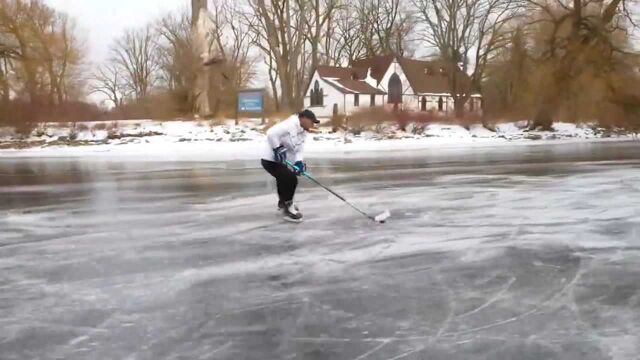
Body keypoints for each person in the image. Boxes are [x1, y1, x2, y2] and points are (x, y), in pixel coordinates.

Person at [261, 109, 319, 222]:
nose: (312, 125)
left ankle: (283, 203)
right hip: (270, 159)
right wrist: (277, 148)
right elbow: (271, 133)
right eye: (311, 122)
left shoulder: (303, 131)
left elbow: (299, 150)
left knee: (283, 179)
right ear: (304, 118)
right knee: (290, 179)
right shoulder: (289, 124)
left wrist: (299, 162)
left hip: (283, 161)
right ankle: (288, 207)